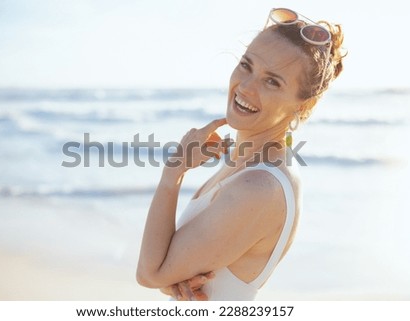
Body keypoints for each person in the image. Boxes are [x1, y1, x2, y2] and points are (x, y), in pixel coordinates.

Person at [137, 8, 345, 300]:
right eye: (247, 65)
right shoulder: (247, 165)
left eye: (273, 81)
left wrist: (173, 174)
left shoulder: (259, 187)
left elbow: (149, 272)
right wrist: (169, 278)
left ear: (303, 106)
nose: (245, 87)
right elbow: (162, 270)